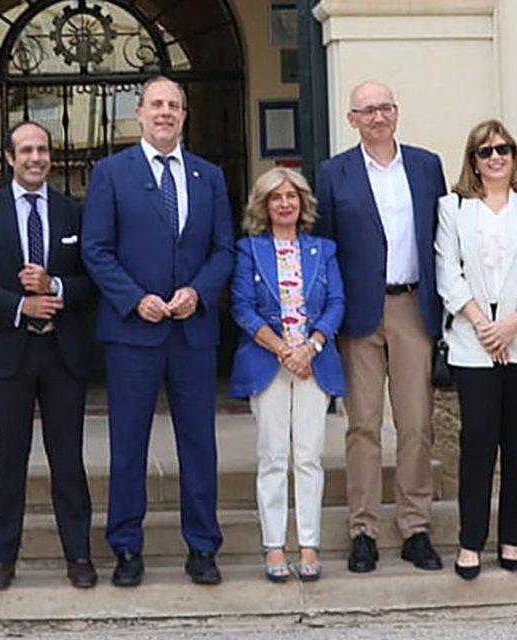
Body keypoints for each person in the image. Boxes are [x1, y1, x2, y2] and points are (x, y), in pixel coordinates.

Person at [82, 75, 235, 587]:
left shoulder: (207, 175)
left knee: (199, 444)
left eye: (174, 105)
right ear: (140, 113)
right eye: (156, 104)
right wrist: (133, 299)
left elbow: (223, 250)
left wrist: (198, 292)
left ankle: (203, 546)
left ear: (184, 115)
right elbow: (96, 249)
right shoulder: (110, 173)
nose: (165, 112)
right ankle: (126, 547)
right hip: (133, 334)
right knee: (129, 443)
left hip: (192, 332)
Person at [0, 121, 97, 590]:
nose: (36, 158)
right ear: (9, 158)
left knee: (68, 460)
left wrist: (55, 288)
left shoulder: (73, 212)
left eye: (43, 150)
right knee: (7, 460)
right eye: (26, 150)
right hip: (6, 355)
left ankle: (78, 555)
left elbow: (94, 281)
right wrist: (20, 304)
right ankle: (2, 557)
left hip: (62, 353)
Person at [313, 79, 448, 573]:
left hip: (413, 305)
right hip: (358, 312)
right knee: (363, 426)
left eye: (385, 107)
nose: (378, 117)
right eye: (367, 110)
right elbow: (324, 247)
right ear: (352, 119)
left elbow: (442, 237)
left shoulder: (427, 165)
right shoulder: (334, 173)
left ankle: (415, 526)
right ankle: (363, 529)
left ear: (397, 112)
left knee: (415, 424)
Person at [434, 119, 517, 580]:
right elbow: (448, 272)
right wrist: (486, 328)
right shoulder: (454, 208)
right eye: (486, 151)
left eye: (503, 149)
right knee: (478, 440)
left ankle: (512, 538)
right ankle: (471, 542)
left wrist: (513, 323)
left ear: (514, 154)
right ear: (473, 159)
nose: (496, 158)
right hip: (473, 341)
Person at [230, 168, 345, 583]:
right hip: (269, 362)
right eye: (275, 197)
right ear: (263, 205)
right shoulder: (248, 250)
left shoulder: (323, 249)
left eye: (291, 196)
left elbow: (336, 302)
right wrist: (282, 349)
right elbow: (242, 307)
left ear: (302, 203)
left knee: (309, 457)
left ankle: (309, 543)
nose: (284, 203)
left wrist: (309, 347)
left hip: (313, 362)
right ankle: (275, 545)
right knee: (274, 457)